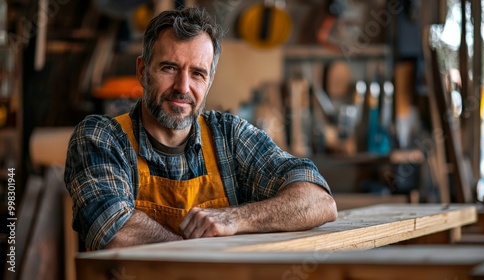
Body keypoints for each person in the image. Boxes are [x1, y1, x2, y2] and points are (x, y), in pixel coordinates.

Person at [64, 7, 337, 251]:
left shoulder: (229, 136)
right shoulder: (101, 138)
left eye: (197, 73)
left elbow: (319, 201)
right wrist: (202, 254)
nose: (183, 88)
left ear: (209, 80)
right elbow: (113, 229)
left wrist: (233, 218)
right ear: (142, 70)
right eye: (169, 68)